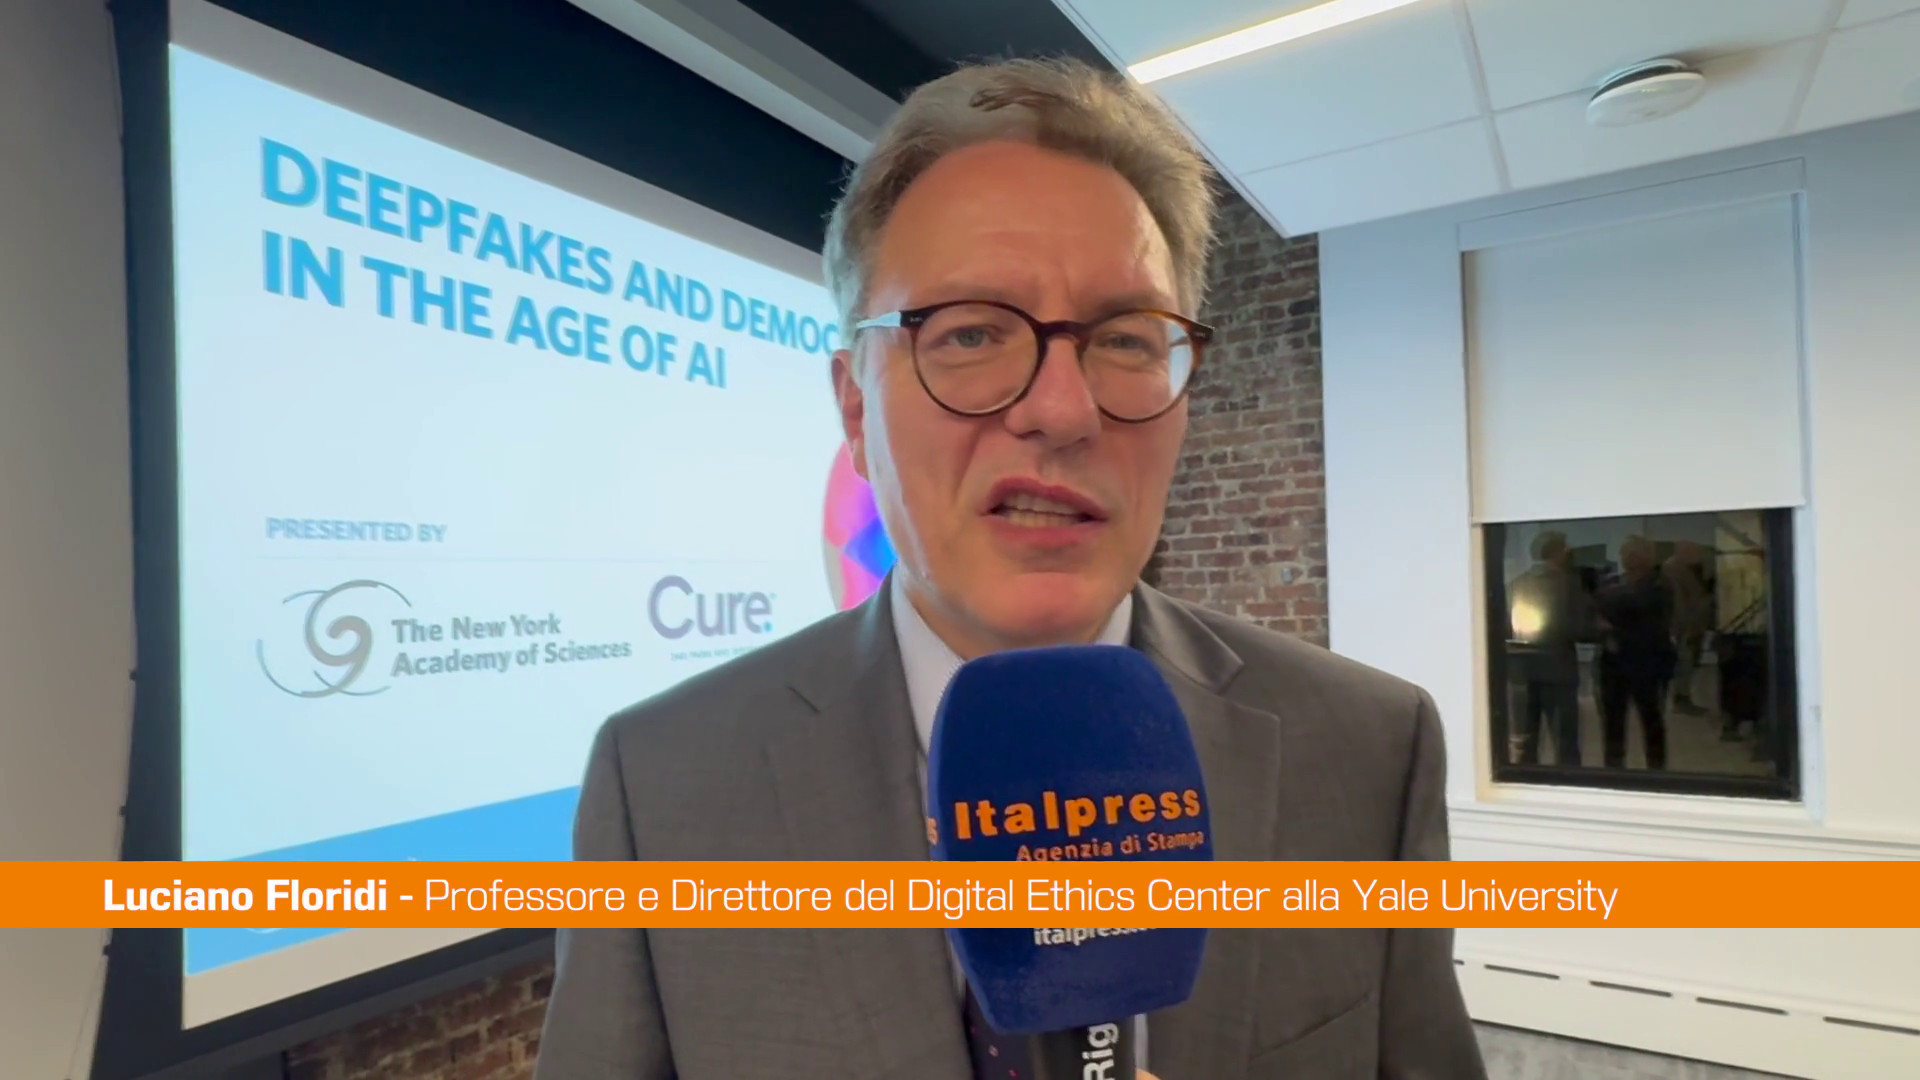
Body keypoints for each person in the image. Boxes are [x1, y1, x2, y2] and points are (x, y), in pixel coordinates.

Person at [534, 57, 1485, 1080]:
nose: (1062, 410)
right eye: (972, 332)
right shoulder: (662, 785)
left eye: (1127, 340)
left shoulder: (1369, 749)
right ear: (855, 409)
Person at [1505, 530, 1596, 766]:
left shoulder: (1516, 584)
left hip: (1522, 673)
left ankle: (1525, 784)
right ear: (1558, 552)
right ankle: (1568, 786)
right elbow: (1581, 629)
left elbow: (1503, 629)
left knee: (1525, 744)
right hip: (1559, 673)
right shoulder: (1569, 585)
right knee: (1565, 744)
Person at [1596, 536, 1677, 770]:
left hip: (1647, 663)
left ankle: (1656, 769)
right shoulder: (1612, 583)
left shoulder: (1659, 586)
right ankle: (1614, 767)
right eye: (1626, 553)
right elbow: (1597, 612)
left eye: (1635, 553)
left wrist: (1612, 629)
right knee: (1613, 719)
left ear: (1647, 557)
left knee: (1651, 717)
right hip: (1613, 664)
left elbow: (1651, 623)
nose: (1629, 558)